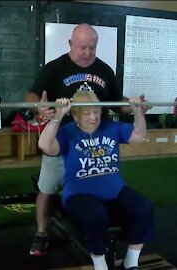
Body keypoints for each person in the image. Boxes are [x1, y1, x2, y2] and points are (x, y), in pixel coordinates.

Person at [25, 23, 131, 256]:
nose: (87, 53)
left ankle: (95, 227)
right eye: (83, 47)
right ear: (70, 44)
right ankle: (41, 233)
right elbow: (33, 94)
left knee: (96, 188)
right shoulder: (54, 68)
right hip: (62, 141)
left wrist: (133, 106)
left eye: (92, 48)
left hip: (94, 145)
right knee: (47, 188)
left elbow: (117, 102)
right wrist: (38, 107)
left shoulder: (104, 70)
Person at [38, 91, 156, 270]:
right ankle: (100, 265)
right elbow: (46, 146)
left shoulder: (112, 127)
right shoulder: (67, 132)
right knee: (96, 216)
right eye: (87, 113)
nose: (93, 118)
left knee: (144, 207)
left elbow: (139, 135)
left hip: (115, 191)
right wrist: (58, 116)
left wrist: (138, 112)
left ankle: (131, 262)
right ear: (76, 115)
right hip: (80, 194)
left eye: (97, 112)